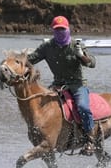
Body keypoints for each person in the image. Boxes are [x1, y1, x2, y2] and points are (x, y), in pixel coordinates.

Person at [27, 15, 101, 155]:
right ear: (53, 31)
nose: (60, 32)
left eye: (62, 29)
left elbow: (92, 63)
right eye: (57, 30)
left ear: (68, 29)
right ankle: (47, 136)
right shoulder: (47, 47)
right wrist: (13, 64)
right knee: (41, 107)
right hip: (57, 85)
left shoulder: (76, 45)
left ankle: (90, 140)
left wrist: (81, 55)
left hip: (77, 85)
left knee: (83, 107)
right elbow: (30, 60)